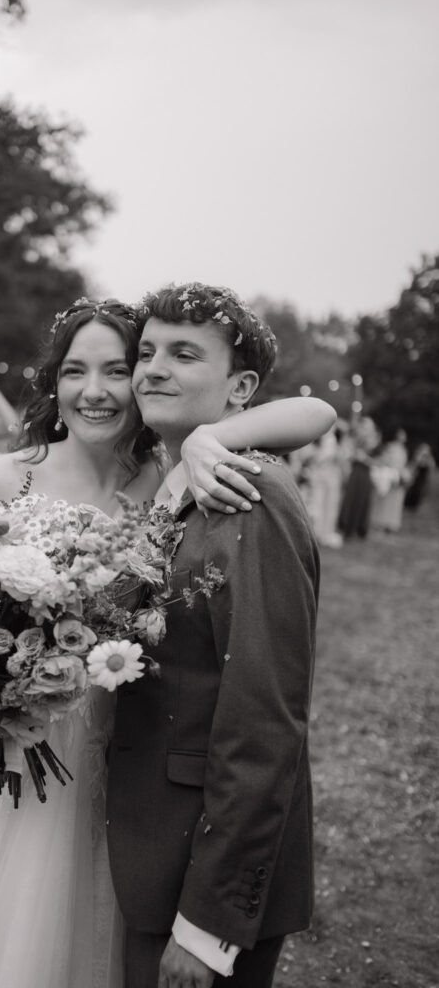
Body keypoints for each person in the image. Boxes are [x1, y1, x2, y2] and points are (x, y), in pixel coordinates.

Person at [0, 298, 334, 987]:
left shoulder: (172, 477)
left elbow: (314, 414)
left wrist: (213, 438)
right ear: (53, 383)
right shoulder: (4, 478)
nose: (94, 390)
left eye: (117, 368)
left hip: (112, 756)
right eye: (73, 371)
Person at [106, 283, 320, 988]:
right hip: (151, 843)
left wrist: (207, 927)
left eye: (183, 354)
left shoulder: (243, 495)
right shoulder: (173, 486)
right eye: (145, 352)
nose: (151, 370)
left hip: (196, 874)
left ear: (241, 389)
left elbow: (262, 721)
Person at [337, 415, 380, 540]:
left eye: (367, 426)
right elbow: (348, 454)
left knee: (362, 499)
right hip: (355, 472)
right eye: (364, 426)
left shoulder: (375, 442)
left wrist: (364, 459)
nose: (365, 428)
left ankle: (359, 528)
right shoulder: (356, 439)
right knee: (351, 498)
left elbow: (378, 462)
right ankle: (346, 527)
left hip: (365, 473)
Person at [369, 429, 409, 533]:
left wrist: (402, 473)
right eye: (401, 435)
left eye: (404, 436)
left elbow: (403, 464)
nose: (403, 437)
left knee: (396, 501)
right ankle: (380, 522)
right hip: (389, 475)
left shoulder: (404, 450)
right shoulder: (390, 447)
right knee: (384, 500)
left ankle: (391, 523)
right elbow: (385, 459)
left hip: (398, 477)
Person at [404, 442, 436, 512]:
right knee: (414, 492)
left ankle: (416, 505)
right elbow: (412, 466)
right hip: (416, 479)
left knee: (421, 492)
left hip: (423, 480)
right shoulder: (417, 457)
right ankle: (410, 505)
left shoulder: (430, 459)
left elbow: (432, 468)